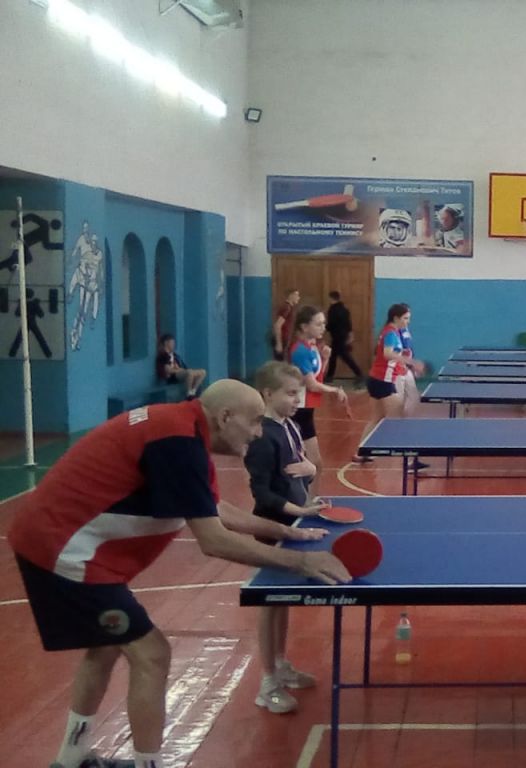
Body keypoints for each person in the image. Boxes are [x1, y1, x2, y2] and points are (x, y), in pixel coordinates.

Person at [7, 380, 349, 768]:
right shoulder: (177, 440)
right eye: (255, 421)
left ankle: (71, 760)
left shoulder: (183, 429)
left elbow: (213, 507)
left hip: (67, 543)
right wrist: (301, 562)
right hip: (64, 549)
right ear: (225, 417)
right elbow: (213, 540)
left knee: (105, 646)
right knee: (152, 654)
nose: (258, 432)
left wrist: (287, 531)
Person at [244, 362, 332, 714]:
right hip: (272, 528)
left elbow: (298, 472)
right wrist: (300, 512)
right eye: (291, 393)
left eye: (300, 393)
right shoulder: (262, 437)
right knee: (270, 605)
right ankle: (266, 684)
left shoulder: (290, 426)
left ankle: (280, 665)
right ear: (268, 394)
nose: (299, 399)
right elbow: (262, 494)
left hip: (294, 524)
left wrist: (310, 471)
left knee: (283, 602)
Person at [289, 305, 352, 491]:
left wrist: (324, 359)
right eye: (318, 324)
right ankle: (304, 500)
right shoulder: (300, 351)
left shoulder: (313, 347)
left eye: (323, 324)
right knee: (307, 464)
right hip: (297, 411)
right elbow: (311, 385)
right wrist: (335, 391)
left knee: (315, 464)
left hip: (307, 411)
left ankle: (312, 500)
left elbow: (317, 377)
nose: (323, 328)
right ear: (304, 327)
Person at [352, 303, 425, 464]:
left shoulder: (391, 332)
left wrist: (405, 367)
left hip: (377, 379)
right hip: (383, 382)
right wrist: (412, 362)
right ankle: (410, 462)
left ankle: (361, 452)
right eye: (405, 318)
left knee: (376, 418)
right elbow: (387, 354)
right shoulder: (391, 333)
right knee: (398, 420)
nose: (408, 321)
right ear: (396, 318)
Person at [325, 290, 364, 384]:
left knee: (344, 357)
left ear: (331, 298)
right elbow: (348, 324)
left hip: (336, 337)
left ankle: (359, 374)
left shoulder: (332, 310)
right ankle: (329, 376)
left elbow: (331, 324)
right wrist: (350, 335)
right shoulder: (344, 309)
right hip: (343, 336)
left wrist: (324, 328)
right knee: (334, 357)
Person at [155, 334, 206, 398]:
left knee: (202, 372)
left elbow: (184, 367)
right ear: (166, 343)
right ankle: (189, 393)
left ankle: (193, 390)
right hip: (172, 377)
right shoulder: (163, 355)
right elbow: (168, 370)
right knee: (189, 373)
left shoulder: (175, 355)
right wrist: (179, 370)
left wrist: (181, 369)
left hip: (181, 373)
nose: (174, 345)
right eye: (172, 343)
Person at [271, 288, 300, 361]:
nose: (298, 298)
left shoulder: (290, 308)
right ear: (291, 295)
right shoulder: (287, 308)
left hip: (287, 340)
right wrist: (279, 343)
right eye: (296, 295)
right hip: (283, 340)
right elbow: (278, 325)